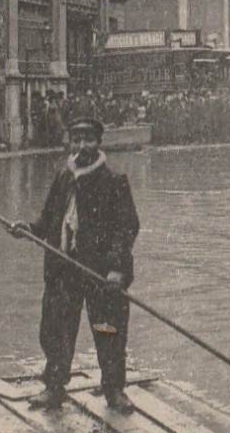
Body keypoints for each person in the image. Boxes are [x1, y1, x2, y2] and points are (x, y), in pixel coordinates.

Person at [9, 116, 140, 413]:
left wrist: (117, 268)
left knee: (108, 330)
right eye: (76, 139)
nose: (82, 146)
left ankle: (114, 390)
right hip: (64, 269)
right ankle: (54, 387)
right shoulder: (63, 178)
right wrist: (28, 229)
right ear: (69, 142)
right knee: (57, 329)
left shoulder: (113, 180)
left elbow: (127, 227)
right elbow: (49, 220)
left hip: (101, 274)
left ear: (99, 143)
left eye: (88, 139)